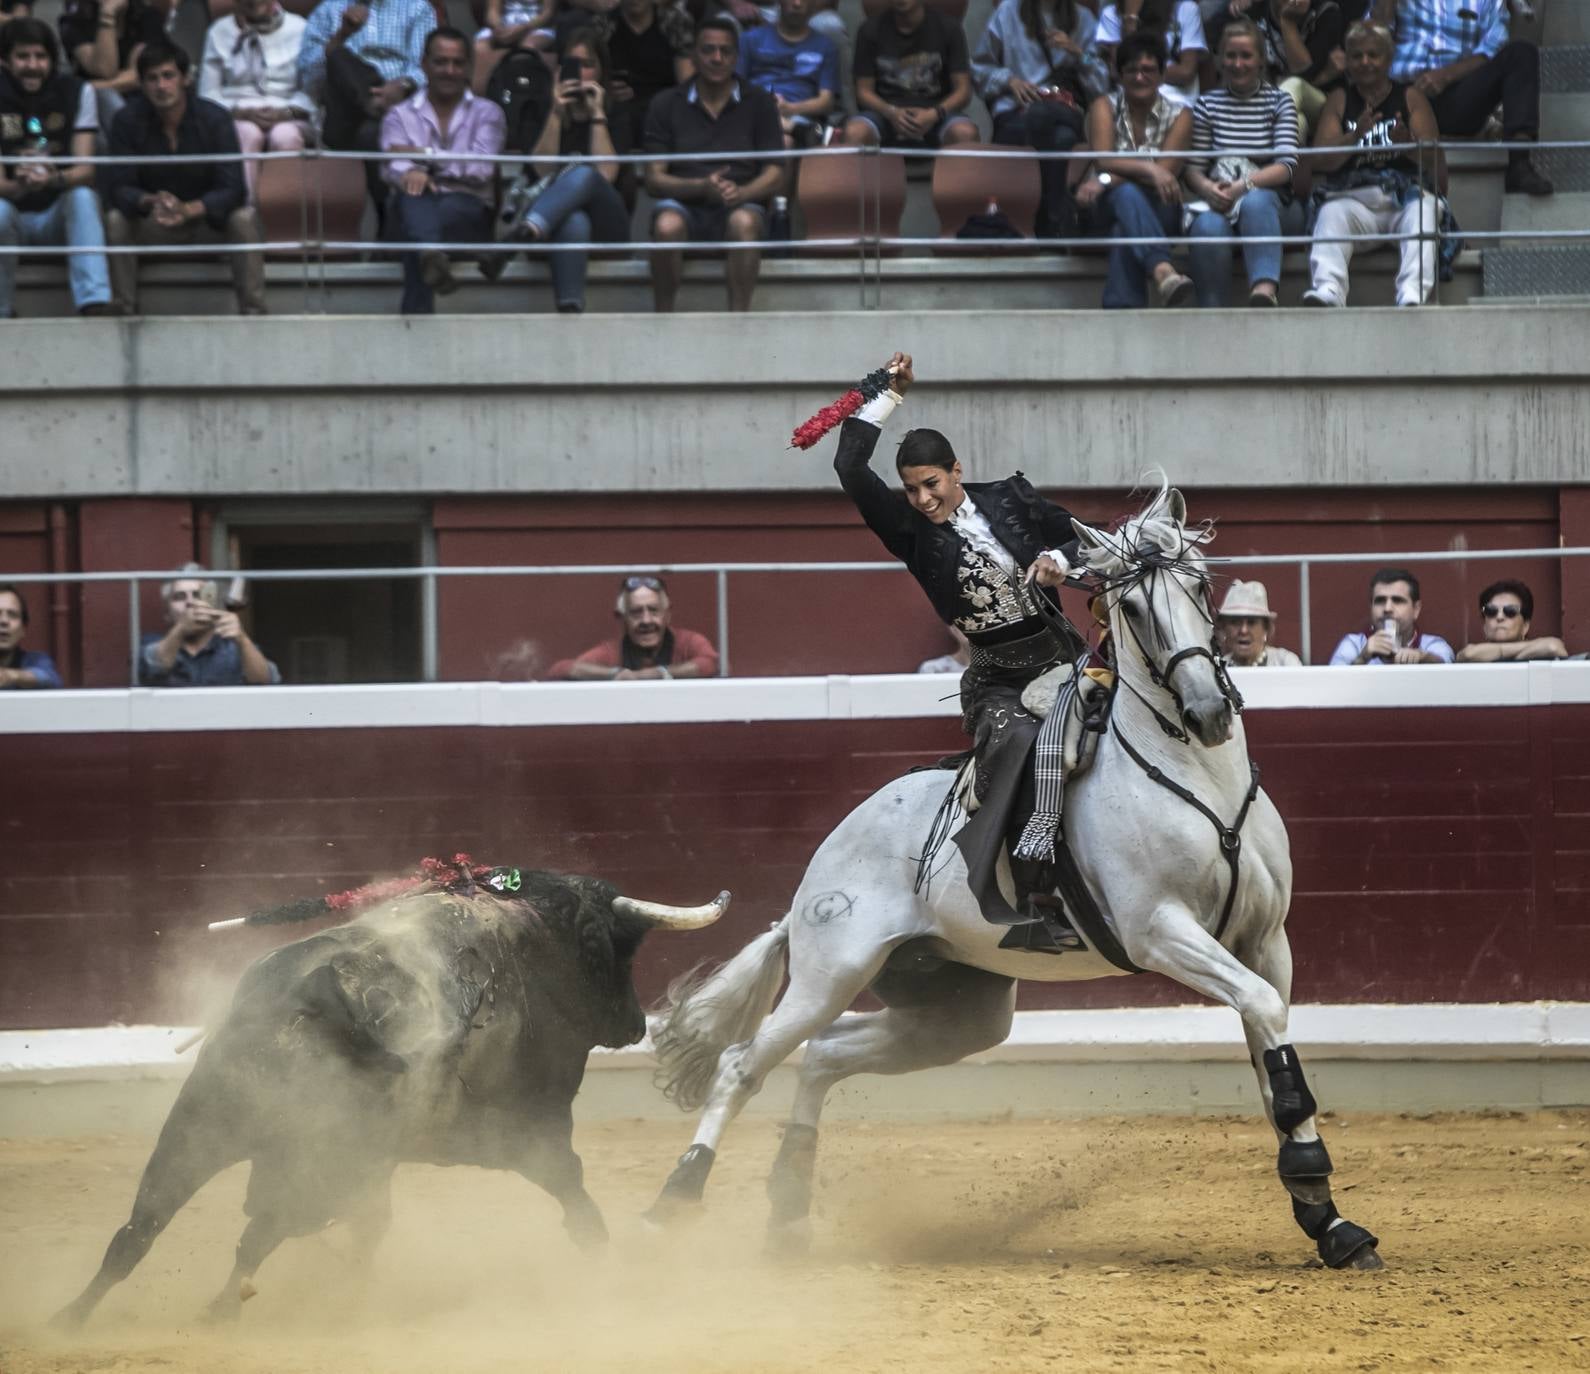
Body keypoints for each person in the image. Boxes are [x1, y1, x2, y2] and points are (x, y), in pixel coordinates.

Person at [832, 350, 1086, 943]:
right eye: (912, 489)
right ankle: (1033, 896)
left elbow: (1076, 537)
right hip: (1000, 680)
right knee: (1023, 742)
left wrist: (1059, 561)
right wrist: (885, 394)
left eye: (931, 484)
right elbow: (849, 466)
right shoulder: (909, 533)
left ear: (956, 470)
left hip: (1069, 661)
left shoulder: (1011, 498)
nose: (922, 500)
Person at [104, 42, 268, 316]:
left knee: (244, 218)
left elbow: (234, 189)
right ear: (142, 85)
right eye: (152, 78)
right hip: (155, 222)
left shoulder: (214, 118)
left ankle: (254, 313)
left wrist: (190, 209)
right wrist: (151, 201)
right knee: (116, 220)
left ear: (185, 79)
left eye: (168, 76)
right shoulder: (126, 120)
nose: (161, 86)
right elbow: (118, 187)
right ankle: (124, 312)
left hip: (207, 224)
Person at [643, 17, 783, 313]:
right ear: (693, 54)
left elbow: (776, 173)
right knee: (666, 226)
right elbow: (654, 178)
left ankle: (737, 323)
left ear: (737, 57)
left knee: (744, 223)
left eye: (725, 51)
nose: (717, 58)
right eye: (708, 50)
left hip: (741, 203)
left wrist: (742, 193)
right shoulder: (665, 103)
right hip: (683, 204)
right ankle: (663, 320)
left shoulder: (759, 102)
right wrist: (700, 187)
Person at [1303, 19, 1440, 308]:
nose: (1365, 62)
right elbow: (1321, 161)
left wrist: (1408, 144)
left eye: (1373, 55)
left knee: (1424, 208)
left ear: (1388, 59)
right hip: (1357, 204)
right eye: (1356, 55)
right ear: (1347, 61)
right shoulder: (1340, 99)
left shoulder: (1409, 97)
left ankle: (1412, 294)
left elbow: (1434, 161)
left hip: (1404, 200)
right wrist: (1354, 136)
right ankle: (1329, 290)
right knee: (1330, 213)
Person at [381, 27, 505, 315]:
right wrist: (412, 174)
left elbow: (480, 168)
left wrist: (423, 158)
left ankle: (422, 282)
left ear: (469, 67)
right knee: (413, 194)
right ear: (424, 64)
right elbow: (392, 166)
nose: (449, 70)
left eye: (458, 63)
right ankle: (430, 252)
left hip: (467, 216)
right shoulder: (399, 115)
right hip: (410, 211)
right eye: (440, 62)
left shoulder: (488, 113)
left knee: (417, 215)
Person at [0, 17, 115, 318]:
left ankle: (94, 302)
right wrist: (21, 184)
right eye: (22, 56)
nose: (32, 65)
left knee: (83, 197)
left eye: (40, 56)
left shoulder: (77, 91)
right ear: (5, 61)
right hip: (11, 215)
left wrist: (53, 178)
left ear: (52, 59)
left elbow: (85, 170)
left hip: (56, 216)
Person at [1184, 18, 1302, 307]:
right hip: (1221, 199)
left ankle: (1263, 292)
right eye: (1231, 56)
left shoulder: (1279, 101)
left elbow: (1286, 167)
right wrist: (1209, 189)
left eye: (1246, 56)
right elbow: (1193, 169)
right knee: (1206, 227)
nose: (1238, 64)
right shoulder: (1207, 104)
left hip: (1275, 207)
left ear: (1261, 61)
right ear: (1221, 61)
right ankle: (1212, 314)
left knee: (1256, 202)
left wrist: (1242, 186)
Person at [1378, 0, 1551, 196]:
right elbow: (1372, 39)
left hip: (1456, 97)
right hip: (1402, 98)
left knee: (1521, 52)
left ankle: (1520, 163)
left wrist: (1446, 75)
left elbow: (1492, 48)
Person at [1072, 31, 1195, 307]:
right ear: (1119, 75)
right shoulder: (1103, 106)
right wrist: (1149, 170)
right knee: (1127, 196)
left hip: (1161, 209)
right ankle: (1163, 269)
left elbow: (1166, 173)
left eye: (1148, 70)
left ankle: (1121, 312)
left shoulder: (1182, 115)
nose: (1140, 77)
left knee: (1124, 224)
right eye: (1132, 70)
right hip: (1102, 207)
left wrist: (1106, 180)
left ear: (1163, 75)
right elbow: (1105, 159)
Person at [972, 0, 1110, 239]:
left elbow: (1101, 83)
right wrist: (1009, 80)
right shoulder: (1008, 12)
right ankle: (1052, 223)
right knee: (1060, 137)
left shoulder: (1084, 19)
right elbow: (978, 69)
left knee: (1044, 116)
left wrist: (1076, 52)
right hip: (1018, 113)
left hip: (1064, 108)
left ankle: (1037, 222)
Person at [517, 27, 627, 314]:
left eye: (588, 65)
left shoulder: (619, 113)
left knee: (584, 174)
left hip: (609, 227)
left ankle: (525, 231)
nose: (579, 73)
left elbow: (604, 176)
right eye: (572, 64)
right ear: (558, 68)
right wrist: (555, 113)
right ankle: (569, 309)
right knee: (574, 219)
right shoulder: (538, 109)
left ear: (602, 71)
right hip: (553, 229)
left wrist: (597, 115)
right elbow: (541, 172)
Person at [297, 0, 437, 209]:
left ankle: (383, 210)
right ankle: (370, 103)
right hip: (342, 112)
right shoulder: (328, 10)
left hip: (398, 105)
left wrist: (404, 84)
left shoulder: (417, 8)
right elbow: (309, 80)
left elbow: (426, 68)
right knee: (337, 55)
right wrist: (342, 35)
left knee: (370, 133)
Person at [198, 0, 314, 203]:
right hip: (236, 113)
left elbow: (311, 90)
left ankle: (285, 214)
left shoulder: (301, 28)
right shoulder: (219, 31)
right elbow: (207, 94)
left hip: (288, 112)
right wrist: (241, 112)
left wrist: (285, 113)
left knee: (285, 137)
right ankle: (246, 213)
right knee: (246, 134)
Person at [844, 0, 979, 150]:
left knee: (965, 133)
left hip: (937, 112)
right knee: (855, 132)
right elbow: (863, 92)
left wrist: (934, 114)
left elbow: (963, 91)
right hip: (885, 113)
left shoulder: (949, 28)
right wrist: (891, 113)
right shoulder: (869, 30)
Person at [547, 575, 721, 679]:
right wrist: (613, 674)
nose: (646, 620)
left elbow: (711, 663)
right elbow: (561, 669)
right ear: (622, 618)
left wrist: (654, 674)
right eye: (636, 612)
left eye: (653, 611)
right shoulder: (611, 652)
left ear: (667, 615)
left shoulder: (688, 642)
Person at [140, 564, 280, 686]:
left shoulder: (233, 647)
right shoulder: (153, 643)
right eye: (180, 597)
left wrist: (242, 640)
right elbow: (153, 668)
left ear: (214, 604)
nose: (190, 602)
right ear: (167, 613)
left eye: (198, 594)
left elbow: (266, 682)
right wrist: (181, 629)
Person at [591, 0, 694, 162]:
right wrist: (607, 89)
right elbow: (593, 72)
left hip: (664, 104)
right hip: (620, 107)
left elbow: (686, 83)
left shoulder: (674, 20)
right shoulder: (604, 23)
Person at [738, 0, 838, 149]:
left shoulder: (826, 46)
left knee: (784, 142)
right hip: (752, 110)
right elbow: (734, 87)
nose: (797, 3)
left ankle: (792, 126)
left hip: (801, 115)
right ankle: (794, 129)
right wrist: (763, 102)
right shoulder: (749, 39)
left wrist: (790, 108)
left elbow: (826, 102)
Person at [57, 0, 166, 128]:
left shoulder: (147, 16)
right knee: (107, 97)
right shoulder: (73, 22)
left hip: (141, 98)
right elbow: (105, 70)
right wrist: (107, 15)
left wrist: (92, 86)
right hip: (94, 105)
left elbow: (138, 75)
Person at [1327, 566, 1454, 665]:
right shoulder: (1354, 644)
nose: (1387, 608)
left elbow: (1449, 672)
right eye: (1380, 601)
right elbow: (1332, 688)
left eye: (1398, 600)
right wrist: (1362, 658)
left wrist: (1423, 657)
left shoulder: (1432, 645)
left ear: (1416, 609)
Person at [1096, 0, 1207, 108]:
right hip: (1130, 101)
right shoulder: (1112, 14)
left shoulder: (1186, 9)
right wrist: (1131, 20)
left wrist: (1137, 70)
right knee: (1100, 108)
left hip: (1177, 101)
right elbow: (1119, 71)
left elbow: (1186, 72)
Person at [1456, 579, 1568, 662]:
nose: (1500, 617)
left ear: (1525, 626)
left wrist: (1500, 652)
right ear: (1485, 626)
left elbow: (1553, 647)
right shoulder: (1472, 652)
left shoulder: (1545, 648)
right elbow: (1469, 655)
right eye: (1491, 611)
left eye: (1510, 611)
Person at [473, 0, 556, 96]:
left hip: (536, 26)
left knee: (528, 48)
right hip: (505, 24)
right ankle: (484, 94)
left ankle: (521, 94)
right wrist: (499, 27)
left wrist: (524, 28)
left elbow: (548, 13)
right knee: (480, 46)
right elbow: (492, 12)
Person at [1214, 579, 1301, 666]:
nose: (1243, 630)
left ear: (1266, 628)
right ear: (1224, 628)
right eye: (1235, 622)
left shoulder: (1284, 662)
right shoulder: (1218, 668)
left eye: (1251, 622)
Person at [0, 583, 62, 688]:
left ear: (23, 629)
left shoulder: (36, 660)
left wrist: (11, 676)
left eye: (12, 615)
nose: (4, 621)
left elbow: (51, 679)